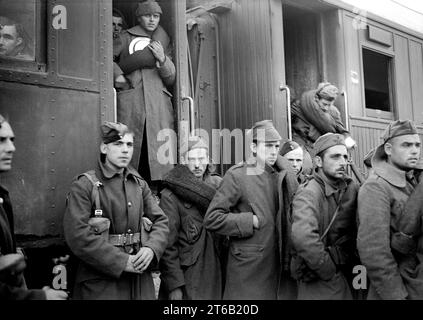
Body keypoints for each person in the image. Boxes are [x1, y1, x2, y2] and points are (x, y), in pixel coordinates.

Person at [63, 121, 169, 300]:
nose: (125, 150)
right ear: (104, 148)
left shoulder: (138, 184)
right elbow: (77, 236)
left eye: (129, 144)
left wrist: (151, 249)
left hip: (139, 283)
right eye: (118, 144)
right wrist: (122, 262)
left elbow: (161, 222)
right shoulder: (85, 185)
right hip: (101, 285)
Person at [204, 120, 298, 300]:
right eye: (268, 146)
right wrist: (249, 221)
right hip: (249, 270)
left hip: (279, 268)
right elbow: (212, 218)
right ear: (253, 147)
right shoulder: (237, 175)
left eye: (276, 146)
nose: (273, 151)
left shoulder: (285, 175)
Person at [0, 114, 67, 300]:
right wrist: (40, 297)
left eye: (11, 140)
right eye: (1, 140)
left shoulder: (2, 197)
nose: (11, 148)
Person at [357, 120, 422, 300]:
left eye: (417, 145)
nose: (415, 150)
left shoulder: (413, 182)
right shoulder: (376, 187)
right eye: (406, 145)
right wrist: (397, 295)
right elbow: (373, 251)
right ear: (388, 149)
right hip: (397, 289)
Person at [114, 1, 176, 187]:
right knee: (134, 150)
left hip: (158, 106)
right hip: (133, 103)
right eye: (148, 16)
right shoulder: (125, 37)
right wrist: (120, 80)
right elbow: (108, 60)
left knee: (157, 154)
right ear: (139, 17)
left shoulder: (163, 41)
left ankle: (156, 194)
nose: (152, 20)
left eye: (156, 16)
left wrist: (162, 58)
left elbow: (171, 77)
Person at [290, 133, 359, 300]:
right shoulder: (309, 193)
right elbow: (303, 238)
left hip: (345, 274)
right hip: (320, 280)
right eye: (335, 157)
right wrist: (327, 269)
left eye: (344, 156)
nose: (343, 162)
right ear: (319, 162)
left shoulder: (347, 188)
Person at [159, 137, 223, 300]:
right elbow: (168, 245)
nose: (197, 164)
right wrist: (174, 286)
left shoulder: (219, 187)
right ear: (183, 161)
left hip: (218, 269)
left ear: (208, 159)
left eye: (201, 158)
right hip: (189, 277)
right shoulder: (171, 196)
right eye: (191, 159)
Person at [291, 82, 356, 155]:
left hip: (323, 148)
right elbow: (299, 131)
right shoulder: (300, 107)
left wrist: (349, 141)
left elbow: (341, 130)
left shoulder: (334, 112)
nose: (326, 108)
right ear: (316, 98)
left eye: (329, 105)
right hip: (304, 146)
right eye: (324, 104)